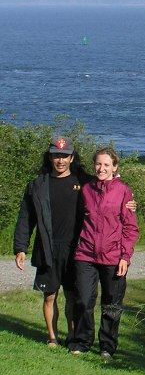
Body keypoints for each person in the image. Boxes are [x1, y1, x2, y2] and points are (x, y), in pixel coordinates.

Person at [14, 137, 87, 348]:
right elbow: (25, 218)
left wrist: (129, 201)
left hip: (76, 249)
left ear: (72, 158)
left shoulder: (83, 182)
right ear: (50, 157)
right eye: (56, 156)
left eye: (65, 156)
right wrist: (20, 248)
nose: (60, 160)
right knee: (49, 296)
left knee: (73, 297)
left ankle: (72, 336)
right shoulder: (37, 185)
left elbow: (108, 191)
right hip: (47, 249)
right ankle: (52, 338)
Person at [67, 148, 139, 360]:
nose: (102, 168)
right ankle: (82, 341)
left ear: (115, 167)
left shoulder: (123, 191)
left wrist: (125, 256)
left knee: (112, 305)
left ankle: (107, 346)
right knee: (83, 299)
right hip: (86, 253)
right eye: (99, 164)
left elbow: (130, 228)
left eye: (107, 165)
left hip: (113, 256)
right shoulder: (87, 189)